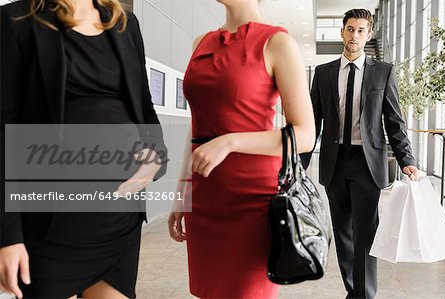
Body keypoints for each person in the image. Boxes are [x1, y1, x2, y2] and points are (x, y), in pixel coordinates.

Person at [0, 0, 166, 298]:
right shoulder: (16, 19)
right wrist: (7, 236)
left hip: (120, 216)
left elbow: (143, 105)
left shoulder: (125, 24)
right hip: (50, 223)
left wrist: (156, 157)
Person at [166, 0, 315, 298]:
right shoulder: (201, 43)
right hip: (206, 195)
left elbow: (305, 135)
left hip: (253, 200)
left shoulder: (278, 42)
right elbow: (196, 128)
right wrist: (182, 193)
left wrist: (230, 141)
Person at [301, 8, 419, 299]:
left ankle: (364, 295)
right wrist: (299, 165)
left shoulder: (383, 72)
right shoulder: (323, 73)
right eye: (350, 29)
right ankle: (354, 291)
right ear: (342, 32)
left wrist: (407, 160)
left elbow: (394, 120)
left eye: (361, 30)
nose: (355, 35)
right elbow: (312, 122)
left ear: (369, 35)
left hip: (368, 163)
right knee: (343, 235)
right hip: (334, 162)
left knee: (365, 234)